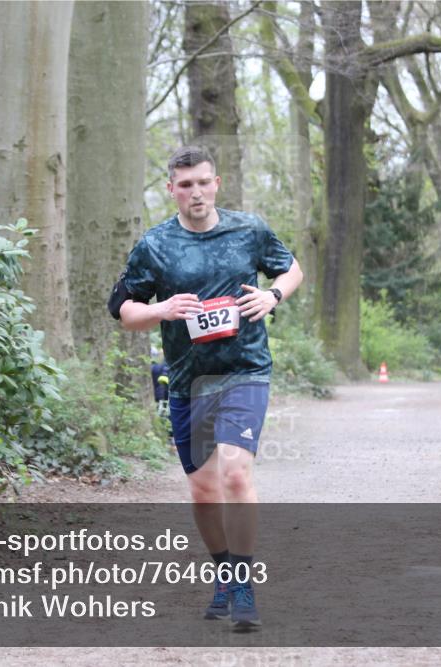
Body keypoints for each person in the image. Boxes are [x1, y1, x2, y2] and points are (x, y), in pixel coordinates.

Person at [108, 145, 303, 629]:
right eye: (185, 184)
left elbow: (293, 267)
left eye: (203, 182)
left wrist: (273, 294)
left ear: (218, 183)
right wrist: (161, 310)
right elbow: (123, 311)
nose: (195, 191)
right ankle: (224, 575)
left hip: (245, 370)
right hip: (188, 381)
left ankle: (243, 586)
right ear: (171, 189)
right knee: (203, 491)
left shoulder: (250, 229)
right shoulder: (155, 245)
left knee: (236, 475)